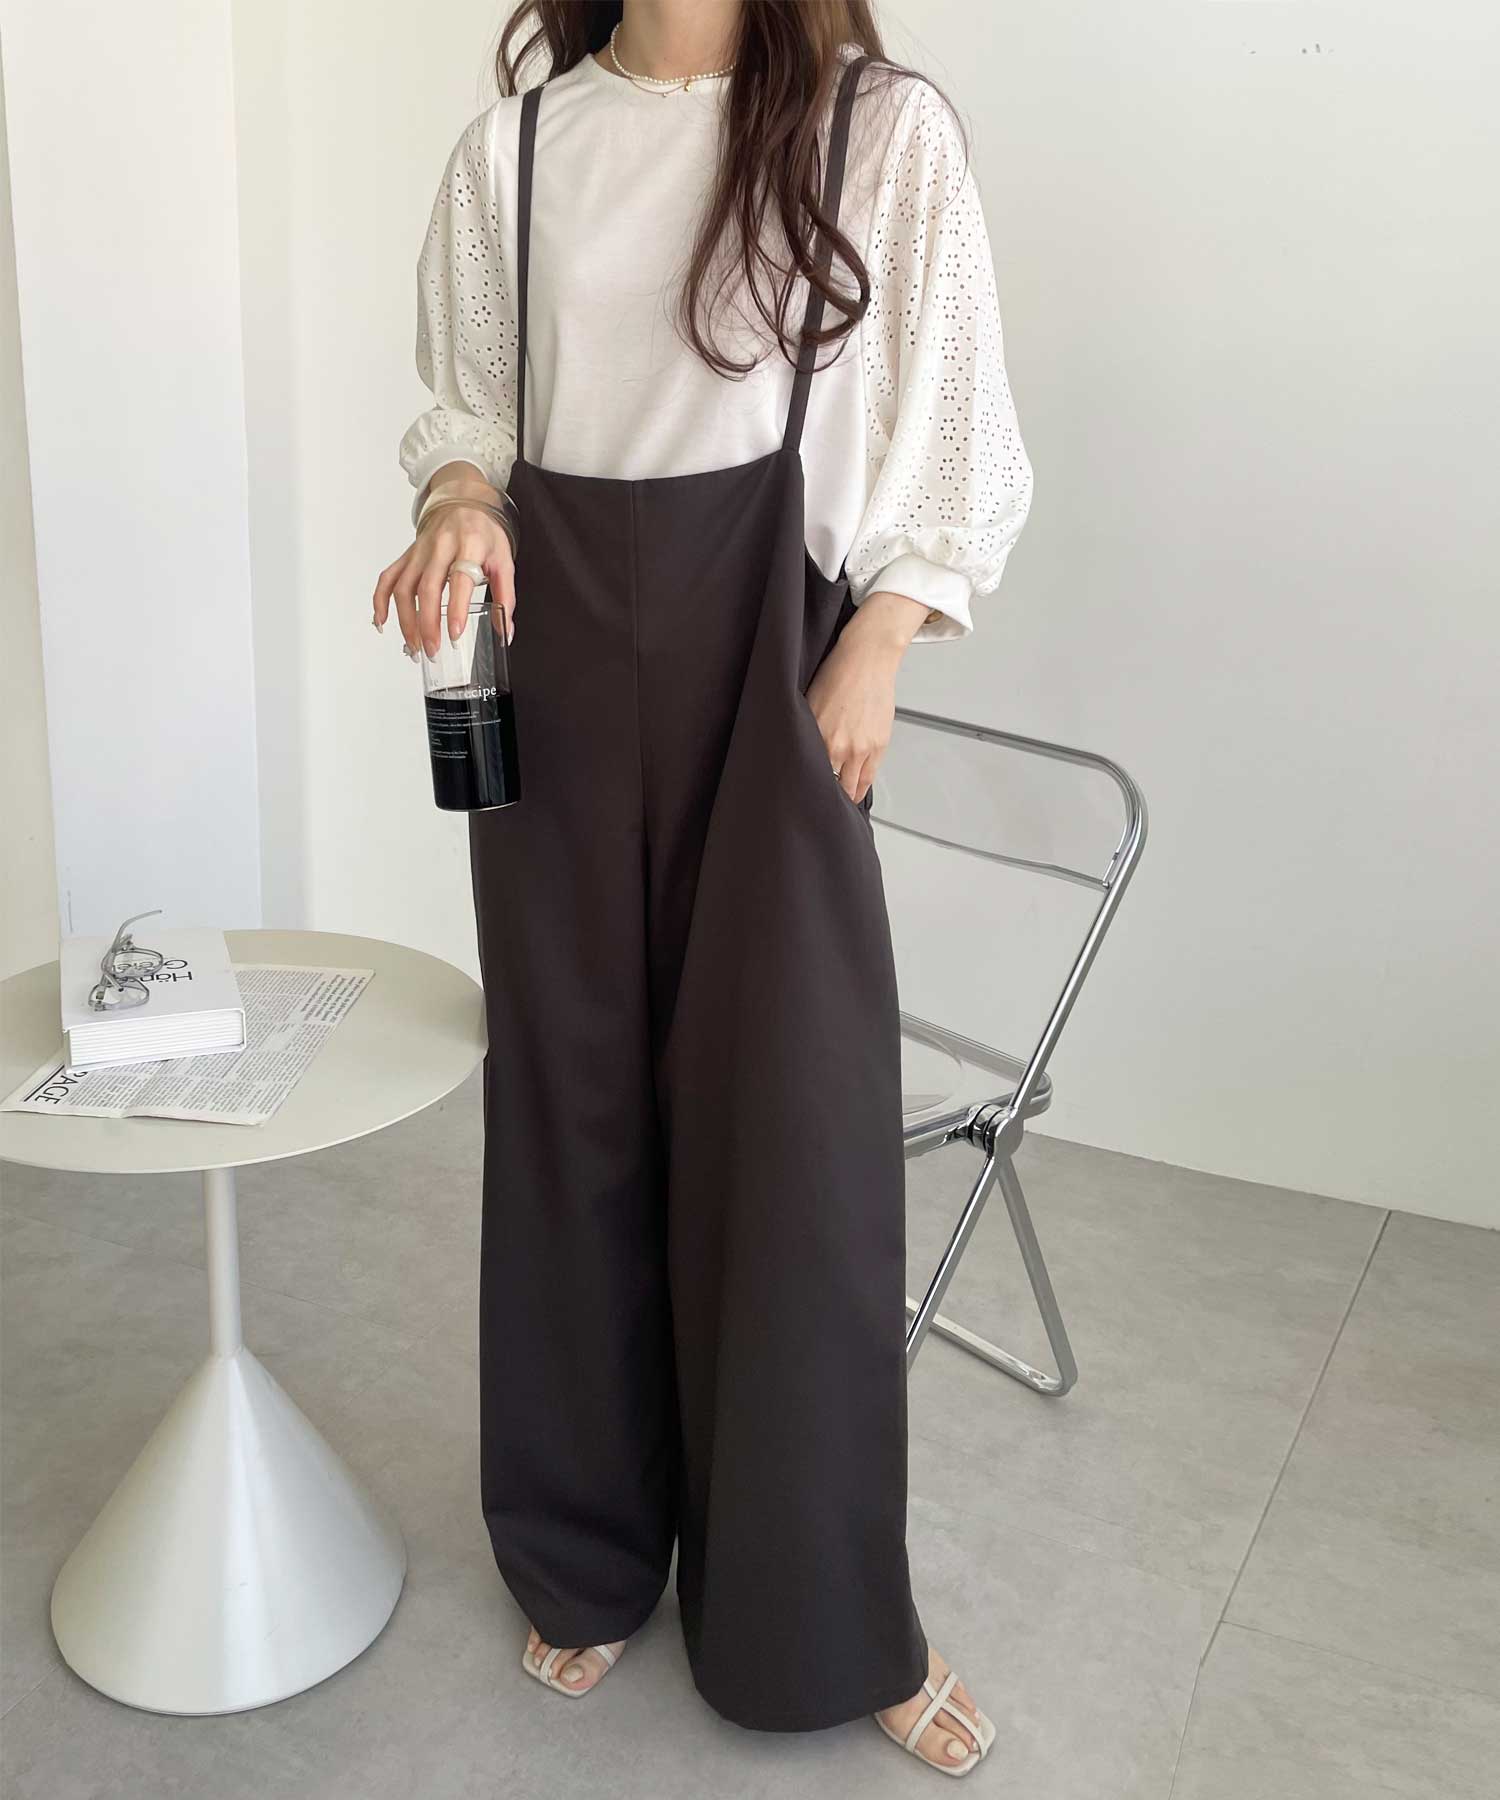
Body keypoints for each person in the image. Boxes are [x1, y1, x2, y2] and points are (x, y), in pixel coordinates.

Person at [373, 0, 1032, 1777]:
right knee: (570, 1118)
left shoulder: (876, 132)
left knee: (795, 1148)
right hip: (559, 684)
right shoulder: (518, 147)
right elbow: (473, 415)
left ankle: (826, 1616)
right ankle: (585, 1554)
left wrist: (882, 635)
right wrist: (456, 503)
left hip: (780, 673)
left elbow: (959, 434)